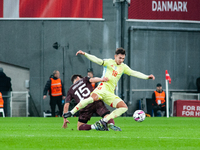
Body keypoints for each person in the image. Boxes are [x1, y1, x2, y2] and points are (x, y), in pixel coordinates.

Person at [63, 48, 155, 130]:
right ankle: (71, 112)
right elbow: (97, 60)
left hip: (110, 93)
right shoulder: (108, 62)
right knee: (91, 99)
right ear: (115, 56)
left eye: (123, 58)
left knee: (124, 107)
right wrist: (85, 54)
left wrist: (147, 77)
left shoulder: (123, 67)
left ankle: (104, 121)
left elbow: (134, 73)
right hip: (102, 88)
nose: (121, 60)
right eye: (120, 58)